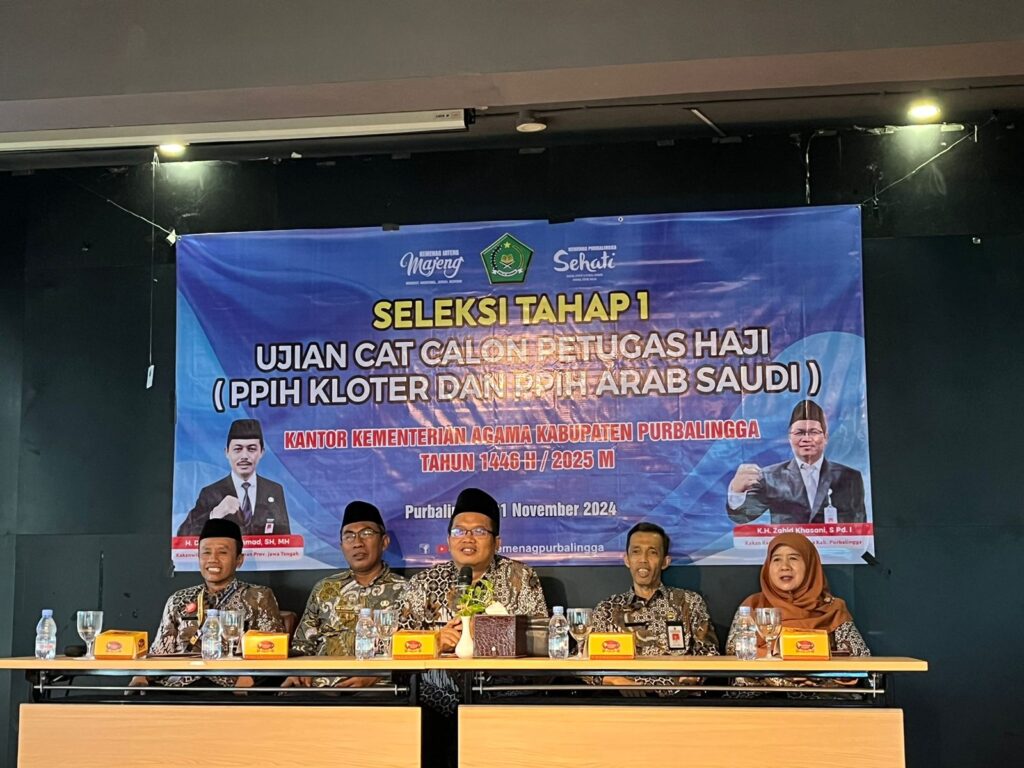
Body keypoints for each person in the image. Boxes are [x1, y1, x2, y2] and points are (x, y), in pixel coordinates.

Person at [397, 486, 548, 759]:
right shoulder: (423, 583)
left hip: (504, 697)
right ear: (448, 539)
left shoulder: (520, 577)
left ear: (497, 542)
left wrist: (495, 636)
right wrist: (434, 642)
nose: (468, 538)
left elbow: (541, 640)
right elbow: (396, 642)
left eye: (479, 531)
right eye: (459, 531)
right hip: (434, 705)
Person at [141, 518, 285, 688]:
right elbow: (159, 651)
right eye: (206, 552)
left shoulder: (258, 596)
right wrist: (142, 676)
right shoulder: (178, 599)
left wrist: (250, 678)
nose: (213, 559)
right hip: (178, 686)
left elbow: (272, 649)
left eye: (222, 553)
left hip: (228, 687)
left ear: (239, 559)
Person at [285, 501, 406, 688]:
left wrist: (379, 675)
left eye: (366, 533)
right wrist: (299, 672)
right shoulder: (325, 589)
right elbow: (302, 644)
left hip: (379, 687)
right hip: (320, 685)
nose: (357, 543)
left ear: (384, 542)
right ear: (342, 546)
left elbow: (414, 648)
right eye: (349, 536)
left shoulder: (406, 590)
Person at [591, 522, 719, 692]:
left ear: (665, 561)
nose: (643, 559)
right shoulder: (608, 609)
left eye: (652, 552)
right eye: (636, 552)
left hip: (679, 699)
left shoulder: (689, 602)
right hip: (626, 701)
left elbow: (709, 652)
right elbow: (586, 661)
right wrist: (614, 680)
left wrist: (691, 677)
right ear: (627, 560)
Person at [725, 532, 870, 669]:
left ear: (810, 565)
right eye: (776, 559)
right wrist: (782, 670)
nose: (784, 567)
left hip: (822, 683)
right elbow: (733, 653)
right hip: (764, 685)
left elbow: (860, 657)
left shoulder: (832, 608)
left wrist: (814, 672)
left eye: (793, 558)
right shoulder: (753, 606)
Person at [727, 399, 866, 524]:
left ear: (826, 438)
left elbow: (858, 525)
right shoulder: (771, 477)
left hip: (833, 545)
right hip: (788, 545)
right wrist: (736, 492)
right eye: (799, 433)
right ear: (789, 438)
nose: (806, 439)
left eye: (813, 432)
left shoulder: (849, 477)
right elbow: (742, 516)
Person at [177, 418, 291, 536]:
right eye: (238, 449)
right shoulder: (210, 493)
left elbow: (286, 538)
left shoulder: (274, 490)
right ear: (227, 452)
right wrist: (215, 514)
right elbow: (183, 536)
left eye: (251, 449)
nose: (244, 456)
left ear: (261, 452)